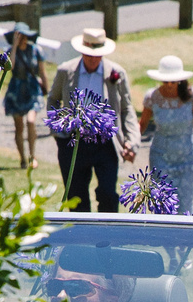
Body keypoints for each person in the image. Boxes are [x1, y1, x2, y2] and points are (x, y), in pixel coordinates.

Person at [46, 28, 136, 211]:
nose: (93, 59)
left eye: (98, 55)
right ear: (81, 51)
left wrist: (131, 141)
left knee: (108, 194)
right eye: (89, 54)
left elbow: (127, 109)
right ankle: (82, 237)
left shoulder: (117, 73)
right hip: (73, 141)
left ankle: (107, 237)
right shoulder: (66, 71)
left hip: (105, 142)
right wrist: (58, 129)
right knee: (76, 197)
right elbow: (53, 99)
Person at [137, 55, 193, 214]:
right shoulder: (152, 97)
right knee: (161, 205)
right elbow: (143, 124)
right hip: (161, 158)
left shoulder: (192, 95)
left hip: (187, 158)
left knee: (185, 206)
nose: (169, 85)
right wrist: (130, 145)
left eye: (173, 81)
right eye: (166, 81)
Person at [1, 22, 47, 176]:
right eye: (19, 36)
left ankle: (32, 156)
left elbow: (42, 71)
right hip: (16, 90)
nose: (23, 39)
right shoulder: (10, 51)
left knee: (31, 121)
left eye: (24, 36)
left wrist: (47, 87)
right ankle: (22, 158)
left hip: (32, 89)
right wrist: (14, 47)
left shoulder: (35, 50)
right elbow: (11, 67)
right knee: (19, 127)